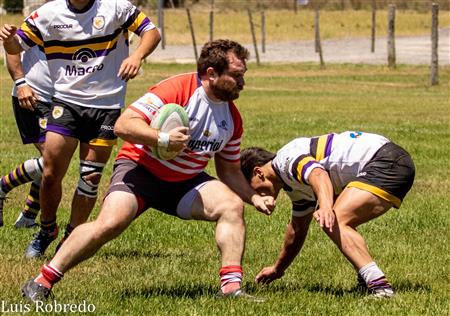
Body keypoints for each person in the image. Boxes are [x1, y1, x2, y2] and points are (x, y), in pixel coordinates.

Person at [20, 39, 275, 302]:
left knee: (231, 206)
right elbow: (123, 125)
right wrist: (162, 139)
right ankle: (42, 280)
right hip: (140, 171)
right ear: (211, 73)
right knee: (110, 223)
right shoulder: (177, 89)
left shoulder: (232, 118)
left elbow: (230, 170)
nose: (242, 82)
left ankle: (231, 289)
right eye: (236, 76)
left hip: (185, 182)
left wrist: (253, 197)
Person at [0, 0, 161, 258]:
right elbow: (15, 46)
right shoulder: (49, 14)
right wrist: (8, 40)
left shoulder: (116, 8)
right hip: (66, 103)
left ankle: (72, 236)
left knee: (90, 179)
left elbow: (151, 31)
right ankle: (46, 230)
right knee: (51, 172)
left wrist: (137, 55)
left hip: (107, 107)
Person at [240, 131, 415, 298]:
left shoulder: (285, 159)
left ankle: (381, 288)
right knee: (340, 220)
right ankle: (367, 281)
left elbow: (318, 174)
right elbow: (297, 229)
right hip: (388, 160)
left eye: (248, 188)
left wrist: (325, 206)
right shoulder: (292, 184)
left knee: (335, 219)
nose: (251, 196)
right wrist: (278, 268)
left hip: (386, 161)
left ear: (258, 172)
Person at [0, 45, 52, 228]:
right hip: (32, 97)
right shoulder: (40, 18)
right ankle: (3, 186)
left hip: (61, 97)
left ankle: (27, 218)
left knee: (53, 163)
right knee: (51, 160)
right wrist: (21, 84)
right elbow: (11, 46)